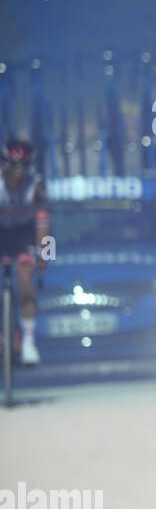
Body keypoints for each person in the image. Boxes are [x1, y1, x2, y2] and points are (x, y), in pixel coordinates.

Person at [0, 140, 47, 365]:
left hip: (24, 236)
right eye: (12, 168)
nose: (17, 175)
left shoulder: (36, 185)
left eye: (22, 169)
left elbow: (44, 227)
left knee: (26, 278)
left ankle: (28, 341)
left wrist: (45, 257)